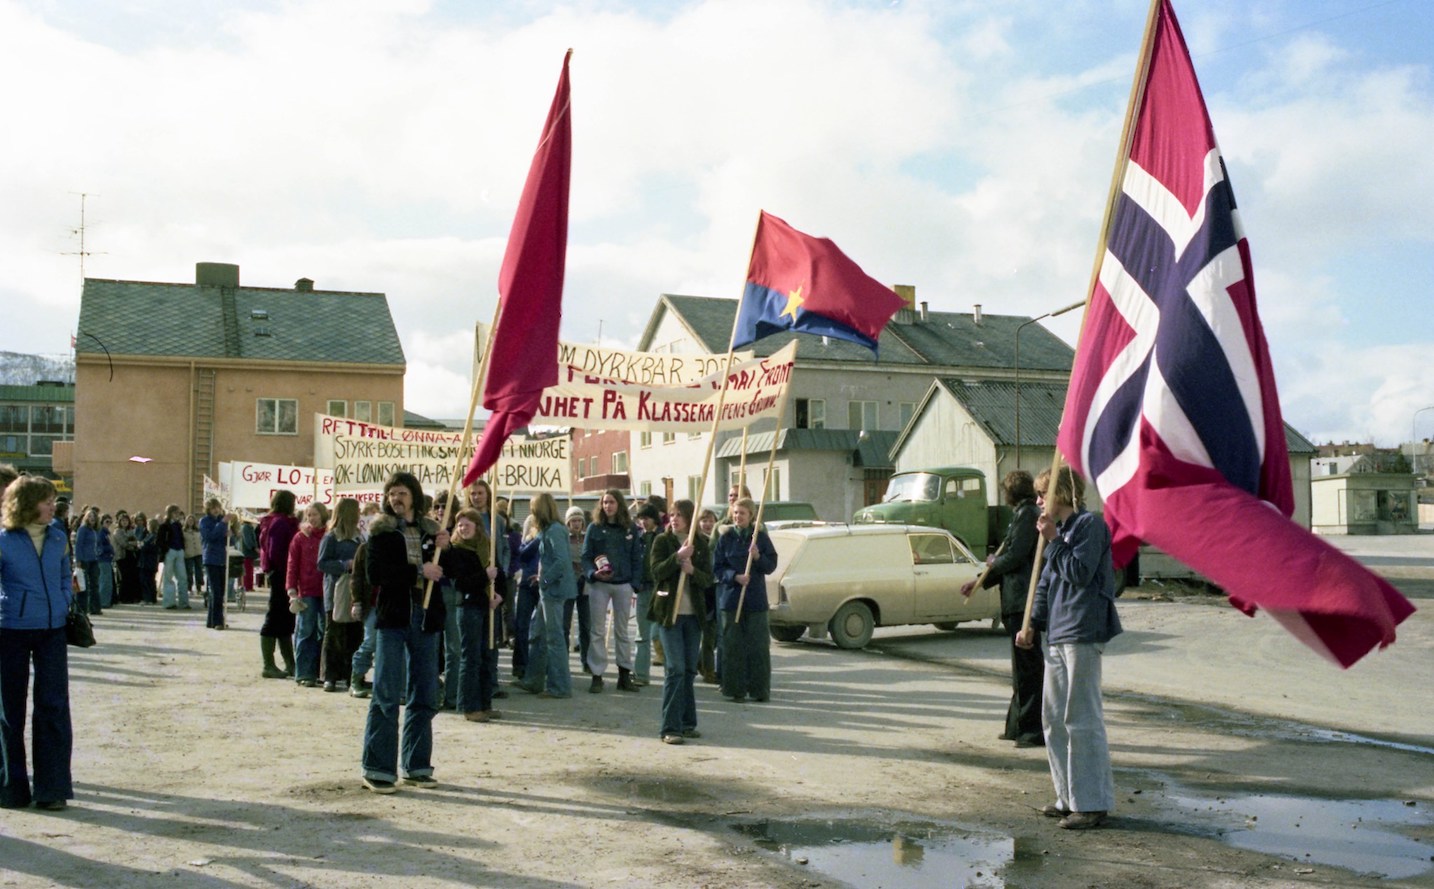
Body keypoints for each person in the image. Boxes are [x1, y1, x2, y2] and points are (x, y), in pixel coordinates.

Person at [1015, 466, 1122, 831]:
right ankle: (1068, 798)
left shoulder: (1089, 525)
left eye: (1044, 494)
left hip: (1084, 630)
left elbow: (1079, 572)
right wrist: (1032, 624)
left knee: (1081, 718)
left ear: (1062, 494)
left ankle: (1091, 803)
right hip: (1058, 634)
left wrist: (1054, 541)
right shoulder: (1058, 534)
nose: (1039, 501)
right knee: (1053, 719)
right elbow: (1044, 584)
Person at [361, 471, 447, 793]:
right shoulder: (380, 533)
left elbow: (446, 570)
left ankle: (417, 765)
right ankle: (378, 768)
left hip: (426, 619)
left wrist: (445, 548)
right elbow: (375, 574)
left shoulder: (430, 534)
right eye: (392, 493)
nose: (396, 499)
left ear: (414, 496)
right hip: (393, 619)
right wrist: (417, 570)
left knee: (424, 692)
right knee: (386, 693)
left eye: (401, 493)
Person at [0, 475, 74, 811]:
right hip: (10, 630)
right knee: (9, 712)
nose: (52, 506)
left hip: (53, 630)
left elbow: (64, 577)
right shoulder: (4, 539)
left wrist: (62, 603)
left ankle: (52, 788)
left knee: (53, 707)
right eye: (45, 500)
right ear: (26, 503)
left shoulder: (59, 536)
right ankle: (11, 788)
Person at [962, 470, 1043, 748]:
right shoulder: (1023, 515)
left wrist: (993, 564)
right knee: (1021, 669)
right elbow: (1009, 558)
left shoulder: (1027, 515)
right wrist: (979, 582)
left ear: (1010, 492)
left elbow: (1016, 556)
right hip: (1017, 599)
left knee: (1028, 669)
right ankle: (1017, 726)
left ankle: (1031, 731)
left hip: (1023, 600)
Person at [648, 500, 712, 745]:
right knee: (674, 668)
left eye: (679, 515)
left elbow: (708, 580)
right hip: (669, 615)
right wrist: (677, 558)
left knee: (688, 670)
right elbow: (655, 572)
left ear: (689, 518)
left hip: (693, 616)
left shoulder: (702, 544)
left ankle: (687, 722)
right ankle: (670, 727)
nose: (674, 519)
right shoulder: (662, 542)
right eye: (672, 515)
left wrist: (693, 569)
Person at [439, 507, 502, 721]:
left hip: (486, 606)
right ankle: (469, 706)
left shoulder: (486, 547)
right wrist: (484, 576)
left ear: (477, 526)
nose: (463, 528)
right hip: (468, 607)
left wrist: (499, 596)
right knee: (471, 656)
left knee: (486, 655)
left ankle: (485, 703)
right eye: (460, 525)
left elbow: (499, 574)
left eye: (467, 524)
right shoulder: (456, 551)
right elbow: (462, 582)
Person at [713, 497, 777, 703]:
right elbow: (718, 568)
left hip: (755, 600)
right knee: (733, 646)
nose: (738, 516)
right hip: (732, 599)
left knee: (758, 647)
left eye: (742, 513)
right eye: (735, 512)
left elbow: (771, 565)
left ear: (751, 516)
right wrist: (735, 577)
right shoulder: (726, 537)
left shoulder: (760, 537)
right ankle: (735, 689)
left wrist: (758, 557)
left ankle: (759, 690)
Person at [580, 489, 644, 694]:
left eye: (612, 502)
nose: (608, 506)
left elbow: (636, 556)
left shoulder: (630, 528)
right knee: (597, 630)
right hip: (600, 584)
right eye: (605, 502)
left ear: (619, 505)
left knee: (622, 631)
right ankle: (597, 674)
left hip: (623, 584)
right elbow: (585, 556)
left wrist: (634, 583)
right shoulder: (594, 528)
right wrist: (592, 573)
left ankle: (624, 674)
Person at [517, 493, 576, 698]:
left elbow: (560, 562)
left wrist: (545, 580)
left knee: (554, 639)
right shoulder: (550, 530)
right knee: (539, 634)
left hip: (554, 591)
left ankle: (559, 686)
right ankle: (534, 679)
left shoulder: (554, 531)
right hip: (549, 589)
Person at [318, 498, 364, 693]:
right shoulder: (331, 537)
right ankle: (329, 675)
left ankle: (350, 675)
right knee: (334, 632)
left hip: (354, 589)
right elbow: (322, 563)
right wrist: (345, 564)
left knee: (354, 633)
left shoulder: (360, 537)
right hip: (336, 589)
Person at [287, 502, 330, 687]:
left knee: (324, 631)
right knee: (305, 630)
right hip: (306, 590)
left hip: (326, 589)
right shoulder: (300, 537)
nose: (312, 518)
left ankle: (320, 671)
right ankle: (303, 672)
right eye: (309, 515)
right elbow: (292, 564)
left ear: (322, 515)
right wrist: (291, 589)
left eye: (315, 514)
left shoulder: (329, 535)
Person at [258, 491, 300, 679]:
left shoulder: (272, 521)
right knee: (275, 617)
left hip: (279, 573)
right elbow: (276, 552)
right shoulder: (280, 523)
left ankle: (290, 664)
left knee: (285, 619)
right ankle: (269, 664)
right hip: (281, 574)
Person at [631, 503, 661, 688]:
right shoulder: (637, 537)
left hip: (661, 589)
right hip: (643, 588)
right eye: (640, 518)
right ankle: (641, 674)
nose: (643, 522)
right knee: (642, 633)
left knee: (660, 632)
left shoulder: (664, 537)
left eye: (646, 518)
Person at [511, 516, 541, 683]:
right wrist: (537, 539)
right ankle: (520, 665)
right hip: (526, 584)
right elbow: (521, 554)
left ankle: (540, 665)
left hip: (543, 583)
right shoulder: (530, 539)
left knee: (541, 627)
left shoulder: (553, 533)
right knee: (521, 625)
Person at [695, 507, 720, 684]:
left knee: (715, 634)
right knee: (708, 634)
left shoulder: (718, 540)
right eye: (704, 521)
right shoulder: (697, 542)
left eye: (711, 521)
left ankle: (700, 662)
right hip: (704, 590)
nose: (708, 524)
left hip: (718, 589)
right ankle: (708, 670)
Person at [562, 506, 590, 671]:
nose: (577, 524)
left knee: (586, 623)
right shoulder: (564, 538)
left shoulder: (587, 538)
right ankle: (563, 660)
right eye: (573, 521)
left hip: (585, 582)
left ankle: (586, 660)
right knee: (565, 623)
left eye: (579, 520)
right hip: (569, 581)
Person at [198, 499, 229, 631]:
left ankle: (211, 620)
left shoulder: (221, 521)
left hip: (222, 558)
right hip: (211, 559)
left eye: (217, 507)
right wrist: (222, 524)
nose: (216, 510)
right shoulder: (205, 521)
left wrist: (231, 535)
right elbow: (210, 536)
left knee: (220, 591)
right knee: (216, 591)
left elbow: (227, 539)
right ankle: (218, 621)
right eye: (213, 508)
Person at [158, 505, 189, 610]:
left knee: (182, 577)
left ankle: (184, 602)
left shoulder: (178, 525)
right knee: (168, 577)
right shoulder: (164, 526)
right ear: (169, 513)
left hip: (179, 550)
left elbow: (181, 538)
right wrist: (165, 550)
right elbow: (160, 541)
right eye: (175, 513)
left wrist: (182, 549)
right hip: (170, 551)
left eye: (178, 513)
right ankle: (169, 602)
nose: (177, 515)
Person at [74, 507, 103, 616]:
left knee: (94, 584)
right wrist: (78, 560)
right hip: (84, 560)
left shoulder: (95, 531)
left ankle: (95, 608)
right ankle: (81, 609)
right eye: (90, 516)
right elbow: (78, 545)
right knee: (82, 585)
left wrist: (99, 551)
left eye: (94, 517)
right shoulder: (83, 529)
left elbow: (99, 544)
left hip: (94, 560)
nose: (92, 518)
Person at [111, 511, 139, 605]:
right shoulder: (117, 531)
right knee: (124, 577)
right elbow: (123, 543)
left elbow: (135, 541)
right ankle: (123, 597)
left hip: (130, 555)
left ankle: (131, 597)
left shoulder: (130, 530)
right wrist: (131, 543)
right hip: (121, 556)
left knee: (131, 576)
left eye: (126, 520)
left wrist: (132, 543)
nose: (124, 522)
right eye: (122, 520)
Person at [182, 512, 204, 604]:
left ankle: (199, 587)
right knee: (189, 571)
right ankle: (189, 587)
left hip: (198, 552)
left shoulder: (198, 531)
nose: (191, 522)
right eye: (189, 520)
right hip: (188, 553)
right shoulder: (184, 531)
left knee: (199, 570)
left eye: (192, 520)